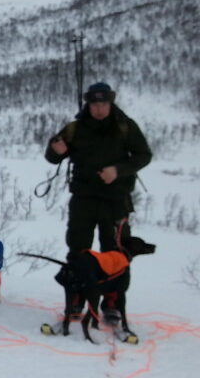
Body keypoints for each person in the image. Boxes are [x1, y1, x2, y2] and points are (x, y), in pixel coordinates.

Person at [45, 82, 152, 259]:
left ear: (111, 103)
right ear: (89, 105)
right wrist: (56, 151)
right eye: (95, 105)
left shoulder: (125, 126)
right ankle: (80, 285)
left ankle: (112, 287)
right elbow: (52, 157)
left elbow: (144, 155)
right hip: (83, 199)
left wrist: (117, 170)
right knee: (77, 251)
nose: (99, 109)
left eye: (103, 104)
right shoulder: (75, 128)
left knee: (117, 253)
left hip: (116, 199)